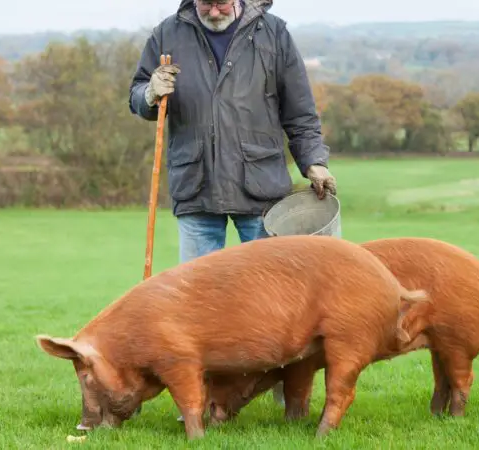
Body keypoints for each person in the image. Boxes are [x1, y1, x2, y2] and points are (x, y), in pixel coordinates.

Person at [128, 0, 336, 420]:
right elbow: (136, 97)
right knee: (196, 305)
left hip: (259, 190)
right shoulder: (168, 33)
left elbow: (300, 112)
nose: (215, 9)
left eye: (222, 1)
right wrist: (150, 93)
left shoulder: (273, 33)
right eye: (207, 1)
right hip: (196, 186)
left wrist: (314, 161)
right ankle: (200, 398)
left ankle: (289, 394)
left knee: (275, 303)